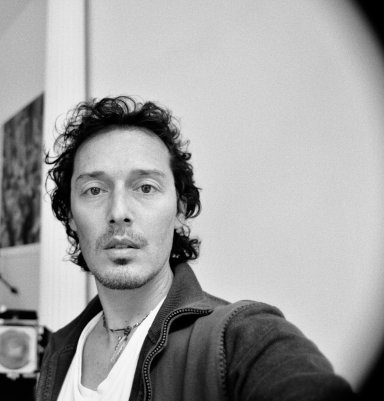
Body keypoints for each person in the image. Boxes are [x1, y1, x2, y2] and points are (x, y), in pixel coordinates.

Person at [35, 96, 356, 401]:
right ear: (70, 215)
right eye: (94, 190)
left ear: (180, 210)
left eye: (145, 187)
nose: (118, 211)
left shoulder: (242, 338)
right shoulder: (59, 350)